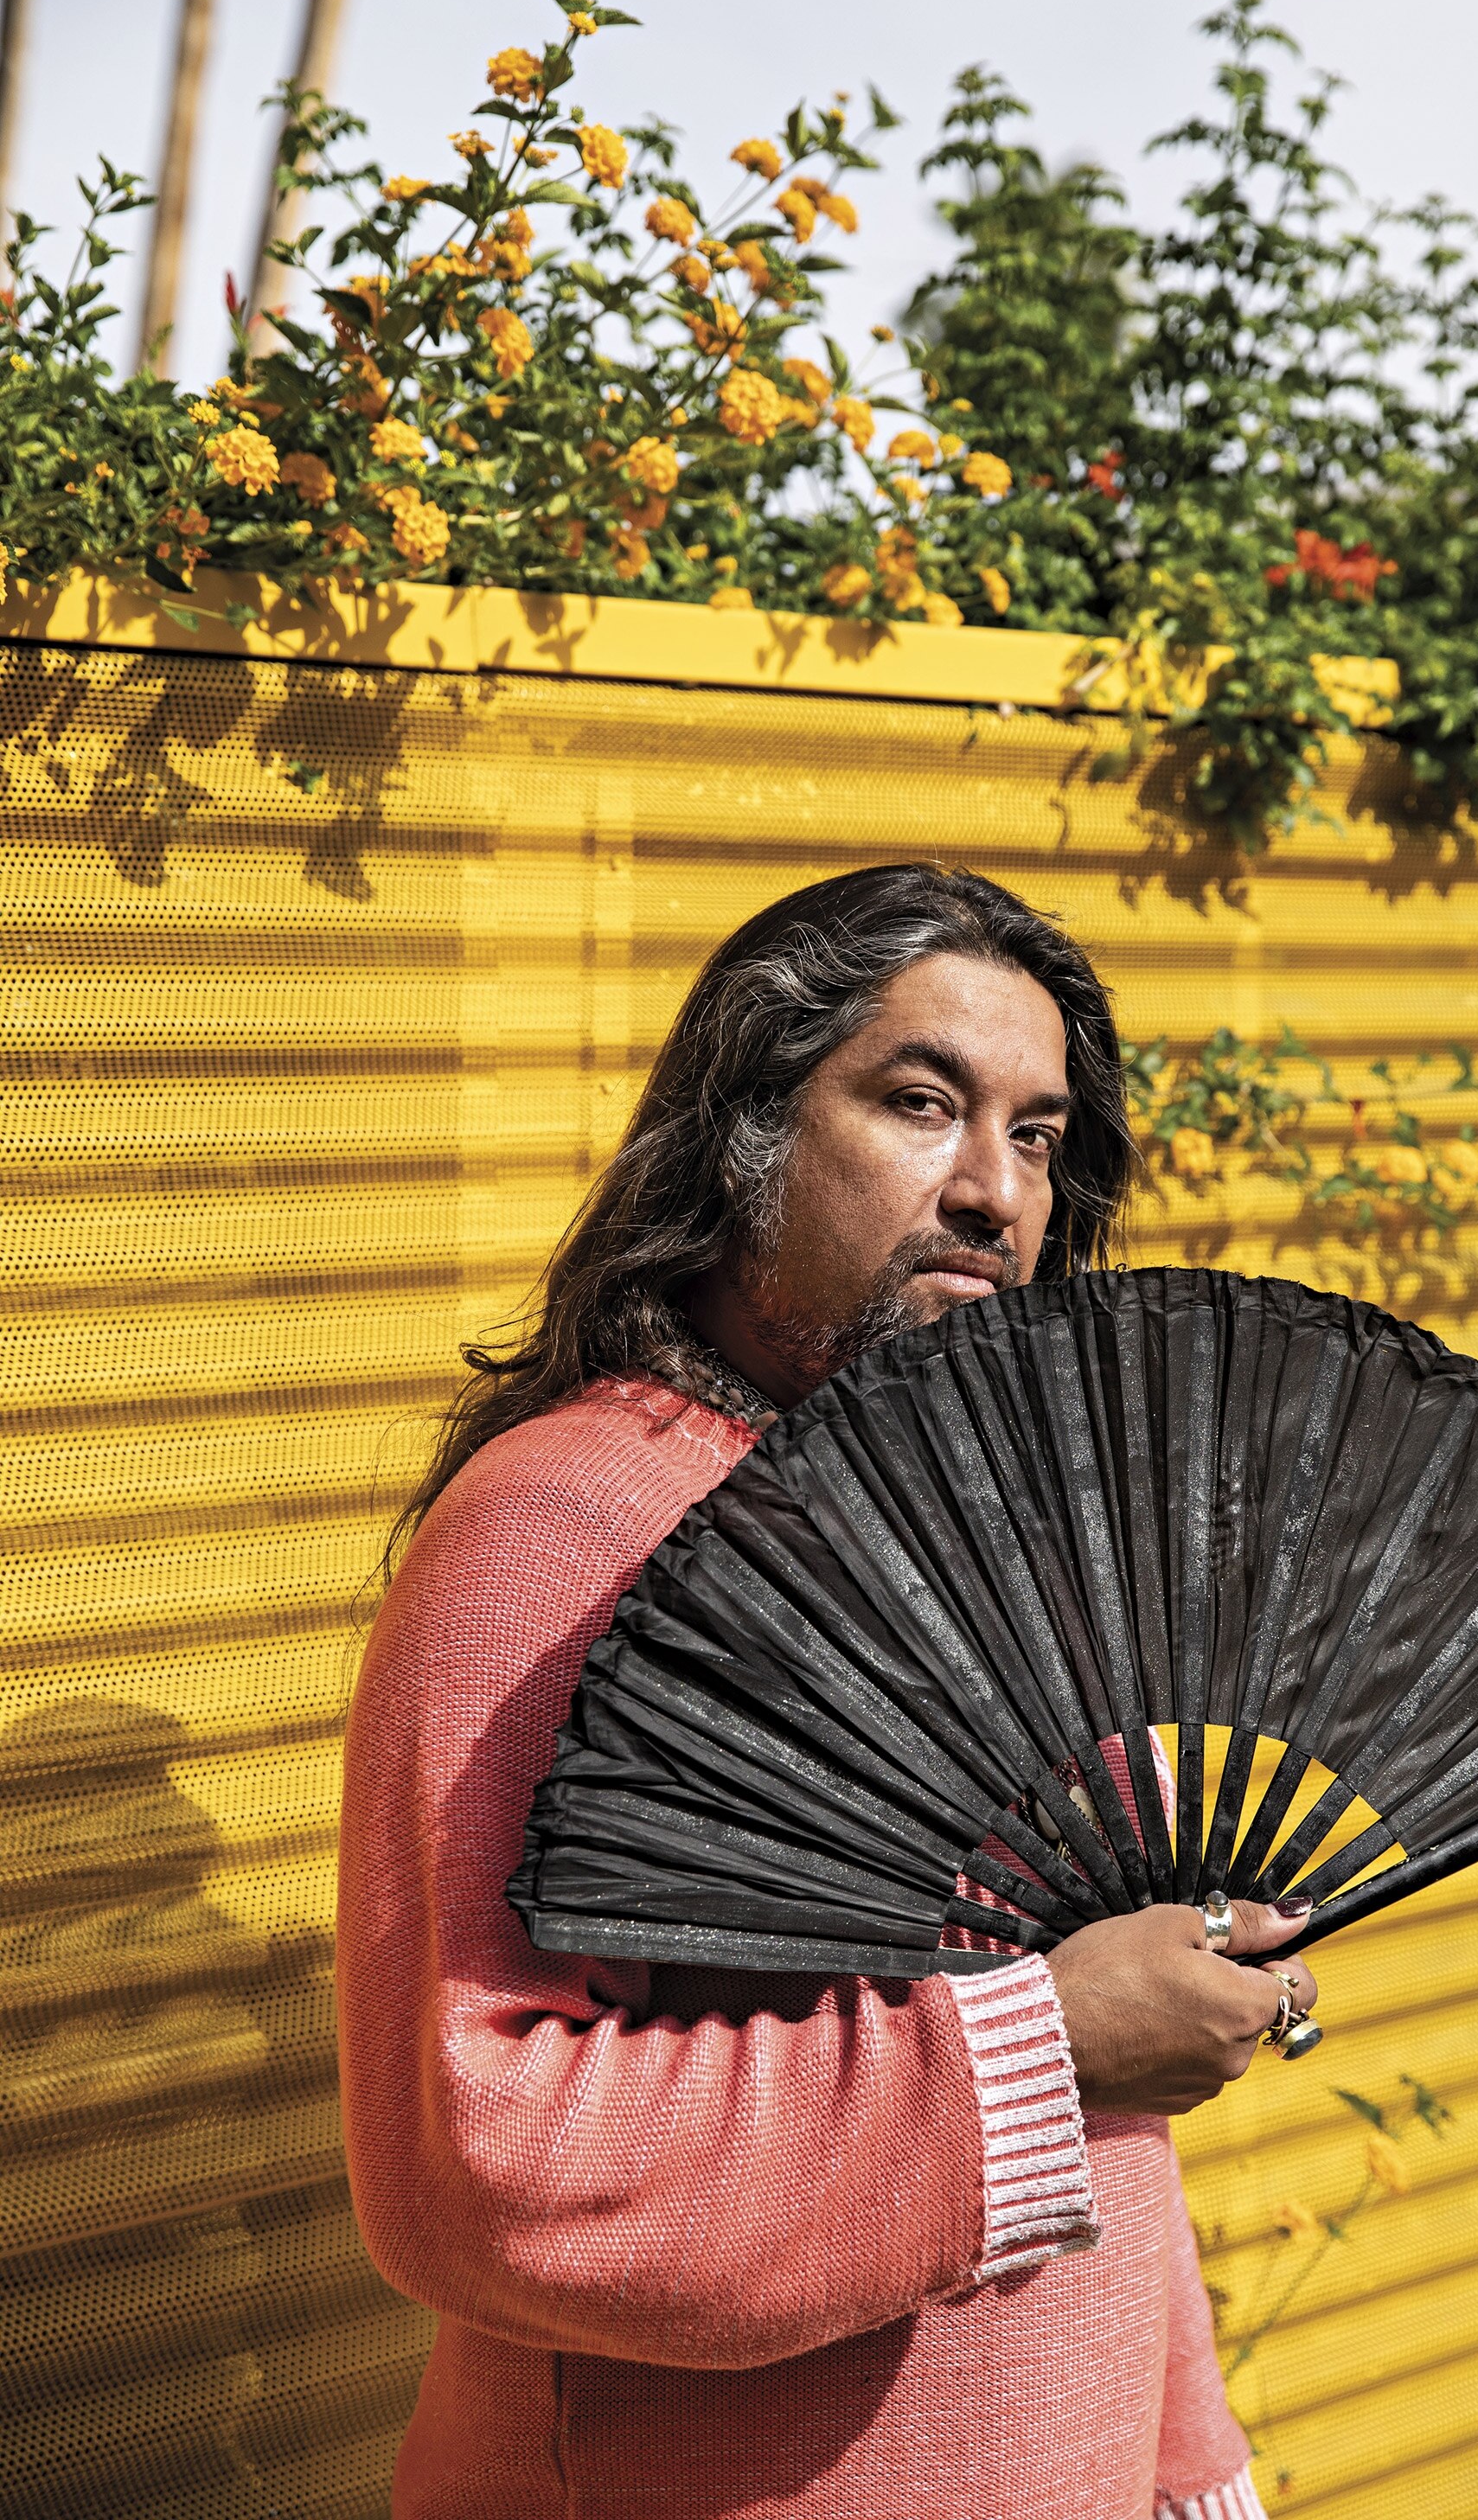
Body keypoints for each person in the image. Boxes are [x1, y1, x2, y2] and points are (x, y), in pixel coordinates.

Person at [338, 864, 1319, 2520]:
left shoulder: (995, 1543)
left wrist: (1180, 2463)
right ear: (746, 1136)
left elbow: (1109, 2138)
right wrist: (1053, 2037)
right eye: (921, 1102)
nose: (992, 1192)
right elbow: (479, 2168)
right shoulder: (561, 1535)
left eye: (1034, 1134)